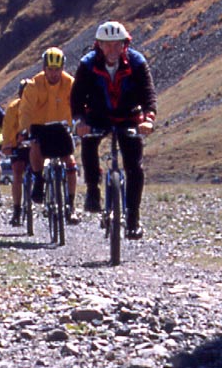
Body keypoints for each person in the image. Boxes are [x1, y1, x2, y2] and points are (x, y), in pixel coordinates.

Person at [71, 21, 157, 239]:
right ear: (98, 45)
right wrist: (79, 121)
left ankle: (133, 219)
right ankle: (92, 190)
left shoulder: (137, 62)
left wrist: (148, 118)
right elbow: (77, 97)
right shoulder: (87, 64)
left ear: (124, 45)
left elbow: (148, 93)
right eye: (106, 45)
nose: (111, 50)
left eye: (116, 45)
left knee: (134, 167)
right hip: (98, 115)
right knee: (89, 143)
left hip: (128, 115)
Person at [19, 47, 80, 225]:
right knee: (35, 146)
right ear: (44, 68)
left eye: (57, 69)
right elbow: (26, 110)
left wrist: (79, 123)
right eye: (50, 69)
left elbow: (78, 104)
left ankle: (71, 204)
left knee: (70, 162)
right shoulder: (33, 84)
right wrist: (24, 130)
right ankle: (39, 180)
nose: (54, 74)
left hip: (61, 126)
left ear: (62, 68)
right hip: (39, 125)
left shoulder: (70, 83)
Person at [1, 78, 33, 226]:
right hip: (19, 146)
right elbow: (7, 130)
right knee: (17, 171)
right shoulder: (13, 108)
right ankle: (17, 209)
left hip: (35, 143)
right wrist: (10, 143)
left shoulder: (41, 106)